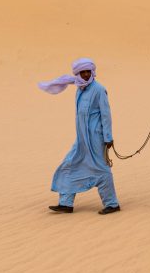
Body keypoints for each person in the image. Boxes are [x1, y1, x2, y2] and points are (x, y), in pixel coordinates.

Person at [37, 58, 121, 215]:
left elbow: (106, 115)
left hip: (96, 138)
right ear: (77, 73)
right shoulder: (79, 89)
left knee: (101, 169)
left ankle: (112, 203)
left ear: (92, 72)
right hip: (82, 138)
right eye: (82, 72)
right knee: (70, 164)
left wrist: (108, 138)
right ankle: (66, 203)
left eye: (88, 71)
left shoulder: (98, 89)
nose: (86, 74)